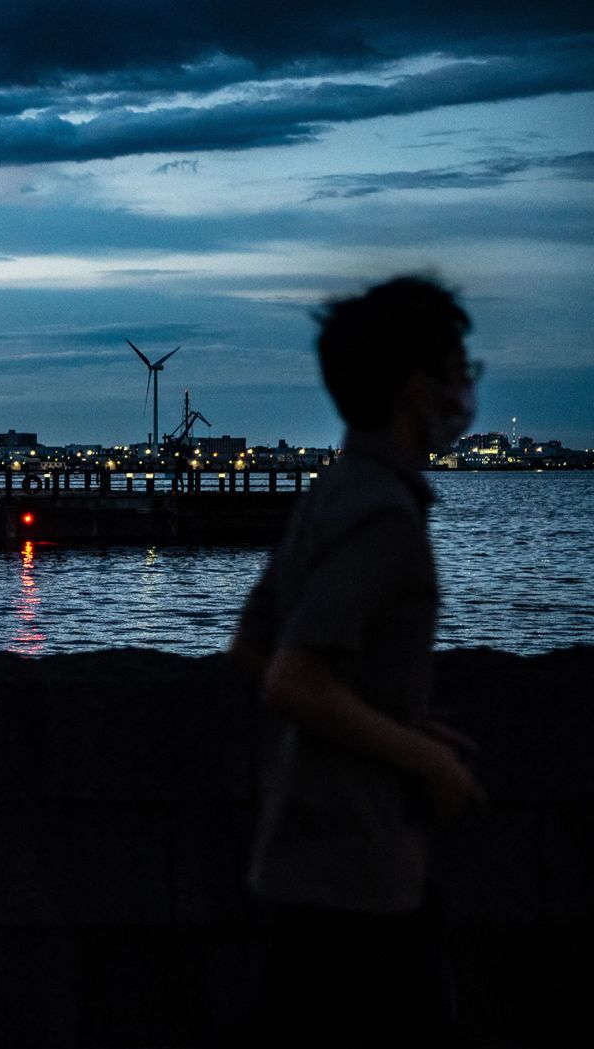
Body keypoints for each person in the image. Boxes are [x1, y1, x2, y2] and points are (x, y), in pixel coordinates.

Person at [228, 276, 486, 1046]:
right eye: (456, 368)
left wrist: (391, 715)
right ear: (416, 389)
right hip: (363, 871)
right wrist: (429, 761)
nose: (465, 388)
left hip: (304, 857)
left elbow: (252, 644)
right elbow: (294, 677)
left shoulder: (330, 492)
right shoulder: (383, 513)